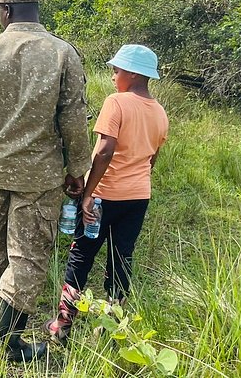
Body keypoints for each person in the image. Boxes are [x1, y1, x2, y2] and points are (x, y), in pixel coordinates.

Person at [0, 0, 92, 363]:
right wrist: (78, 168)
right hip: (38, 175)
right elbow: (73, 118)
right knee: (27, 257)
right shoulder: (62, 53)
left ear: (6, 11)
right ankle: (9, 343)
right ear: (35, 9)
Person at [46, 44, 169, 344]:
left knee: (81, 256)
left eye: (117, 70)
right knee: (121, 258)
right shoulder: (160, 112)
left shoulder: (116, 102)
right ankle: (112, 328)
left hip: (104, 197)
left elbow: (104, 150)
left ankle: (62, 326)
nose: (113, 76)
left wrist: (88, 194)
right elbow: (151, 159)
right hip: (138, 197)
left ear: (132, 73)